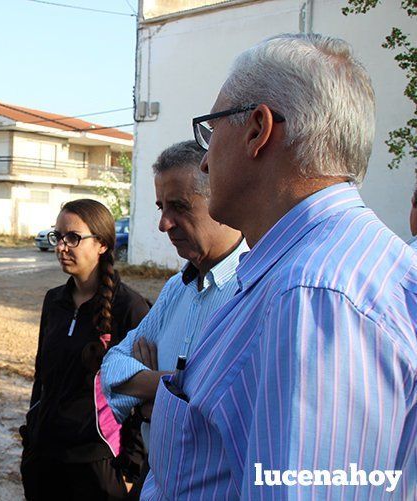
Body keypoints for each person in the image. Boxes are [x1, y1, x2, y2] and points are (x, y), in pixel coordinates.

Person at [143, 33, 417, 499]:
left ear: (257, 130)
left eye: (211, 132)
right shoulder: (313, 270)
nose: (205, 161)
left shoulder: (315, 297)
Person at [99, 141, 245, 497]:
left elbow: (225, 410)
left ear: (221, 198)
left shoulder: (251, 289)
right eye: (161, 207)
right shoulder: (175, 289)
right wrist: (168, 387)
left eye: (179, 206)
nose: (164, 224)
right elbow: (110, 369)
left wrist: (152, 397)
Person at [20, 199, 150, 500]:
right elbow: (42, 378)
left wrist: (131, 469)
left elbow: (142, 396)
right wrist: (31, 437)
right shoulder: (54, 301)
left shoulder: (130, 308)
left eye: (73, 238)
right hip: (45, 460)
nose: (62, 246)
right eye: (58, 236)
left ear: (102, 244)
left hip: (97, 466)